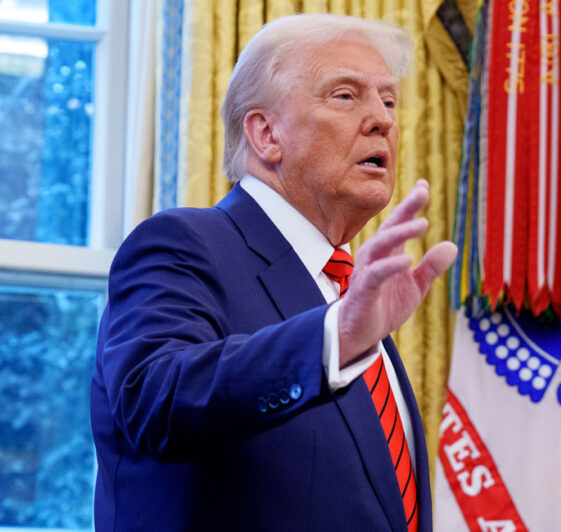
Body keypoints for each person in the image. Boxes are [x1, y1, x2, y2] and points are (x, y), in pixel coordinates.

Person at [90, 15, 456, 531]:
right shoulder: (184, 244)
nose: (383, 120)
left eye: (389, 101)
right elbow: (155, 402)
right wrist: (334, 337)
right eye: (346, 96)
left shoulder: (344, 287)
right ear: (266, 134)